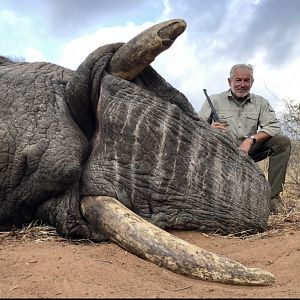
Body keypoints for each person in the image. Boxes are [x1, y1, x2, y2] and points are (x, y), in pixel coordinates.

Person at [198, 63, 291, 213]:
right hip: (221, 153)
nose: (242, 85)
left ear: (252, 82)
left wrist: (250, 140)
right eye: (238, 80)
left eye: (246, 81)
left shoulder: (261, 102)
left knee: (282, 142)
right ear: (230, 81)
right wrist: (209, 129)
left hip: (248, 152)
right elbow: (196, 127)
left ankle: (272, 198)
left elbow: (274, 127)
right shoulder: (214, 100)